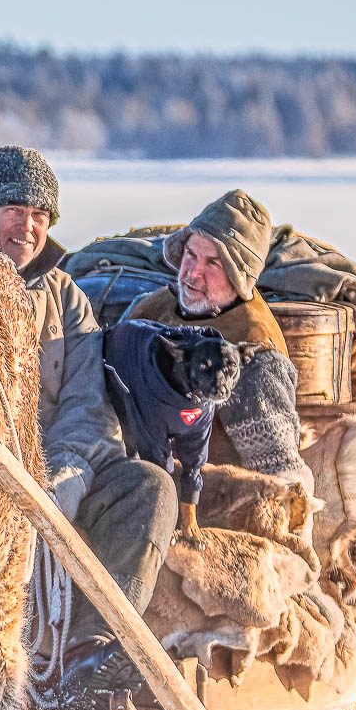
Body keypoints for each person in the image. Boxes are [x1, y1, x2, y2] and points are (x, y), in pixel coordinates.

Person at [0, 147, 177, 653]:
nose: (28, 226)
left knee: (149, 488)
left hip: (51, 470)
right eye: (16, 210)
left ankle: (94, 648)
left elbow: (88, 407)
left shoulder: (66, 298)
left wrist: (61, 478)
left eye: (40, 215)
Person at [122, 190, 313, 491]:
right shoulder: (149, 309)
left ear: (240, 277)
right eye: (191, 255)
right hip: (132, 480)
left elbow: (281, 481)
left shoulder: (255, 354)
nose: (193, 273)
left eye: (213, 263)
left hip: (211, 505)